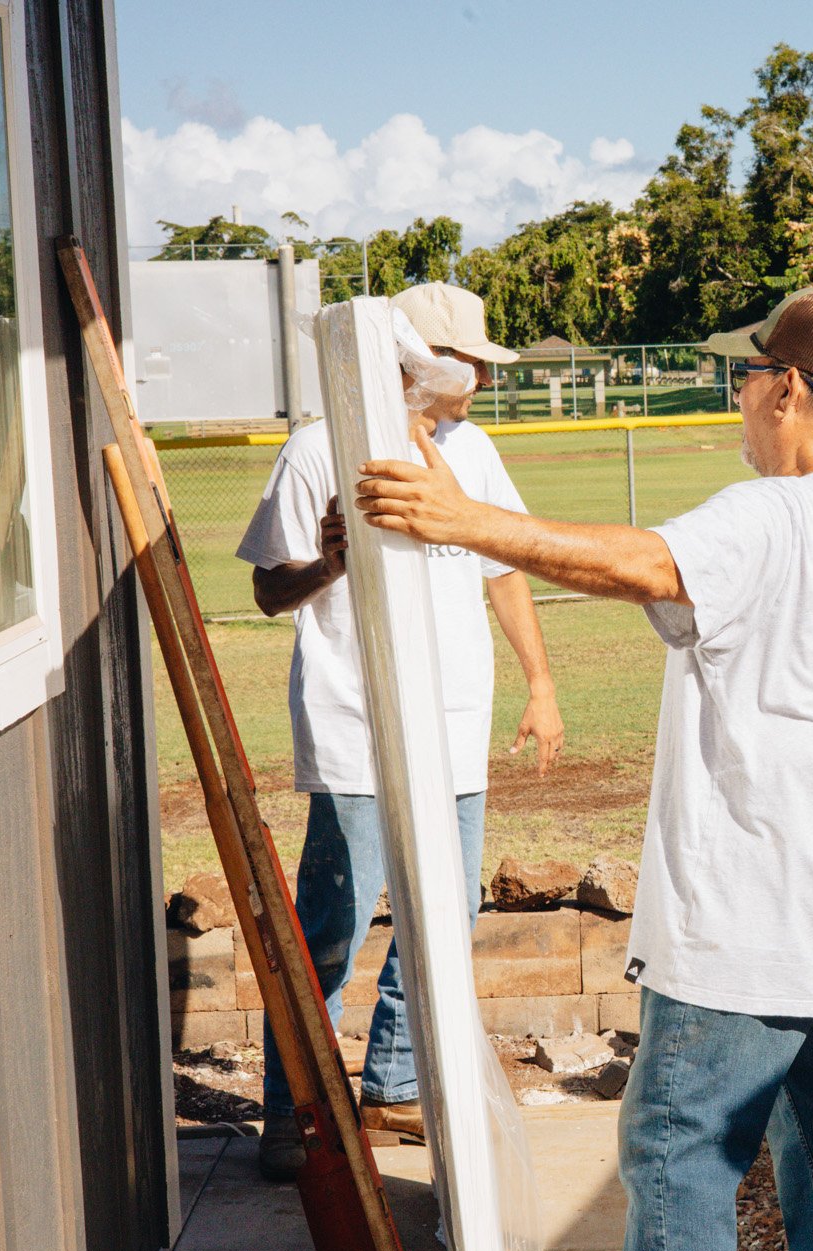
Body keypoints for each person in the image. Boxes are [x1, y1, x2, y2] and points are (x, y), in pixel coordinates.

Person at [353, 287, 813, 1251]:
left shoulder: (775, 513)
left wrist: (461, 522)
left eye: (746, 376)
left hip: (753, 933)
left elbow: (647, 566)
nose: (738, 397)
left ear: (791, 391)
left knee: (677, 1153)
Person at [237, 282, 564, 1180]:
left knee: (443, 922)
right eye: (473, 365)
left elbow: (503, 570)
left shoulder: (474, 449)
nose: (485, 383)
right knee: (332, 924)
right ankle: (293, 1111)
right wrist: (331, 561)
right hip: (356, 731)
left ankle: (390, 1083)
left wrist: (539, 682)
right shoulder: (317, 449)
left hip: (454, 728)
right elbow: (268, 591)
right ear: (417, 361)